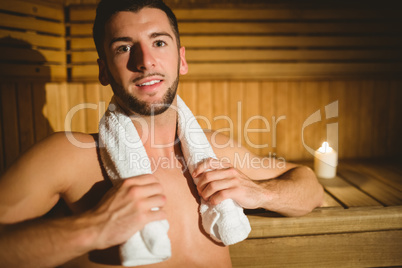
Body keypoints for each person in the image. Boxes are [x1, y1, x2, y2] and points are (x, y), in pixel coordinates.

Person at [0, 0, 324, 267]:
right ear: (103, 70)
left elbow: (310, 187)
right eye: (124, 48)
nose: (146, 61)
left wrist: (260, 193)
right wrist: (93, 228)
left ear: (181, 59)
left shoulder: (213, 150)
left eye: (158, 42)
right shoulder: (69, 155)